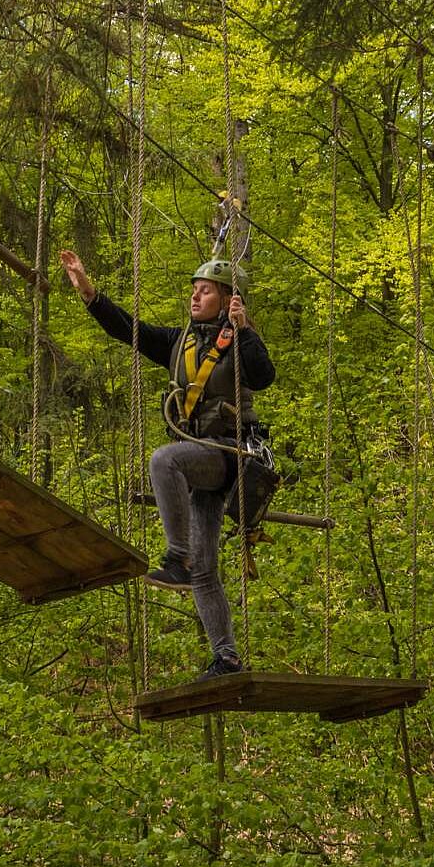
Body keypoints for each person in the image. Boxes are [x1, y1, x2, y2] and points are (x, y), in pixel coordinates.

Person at [60, 248, 275, 678]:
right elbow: (129, 331)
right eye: (194, 291)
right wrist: (89, 292)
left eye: (206, 291)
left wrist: (244, 328)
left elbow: (263, 376)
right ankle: (226, 656)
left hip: (229, 454)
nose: (195, 298)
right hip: (201, 461)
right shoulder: (179, 341)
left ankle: (178, 557)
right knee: (207, 570)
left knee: (164, 461)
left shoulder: (238, 341)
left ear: (228, 298)